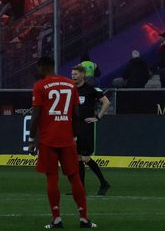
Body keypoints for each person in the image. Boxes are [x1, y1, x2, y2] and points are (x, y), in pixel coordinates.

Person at [27, 56, 96, 229]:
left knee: (52, 178)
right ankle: (84, 218)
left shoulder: (40, 86)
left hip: (48, 139)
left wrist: (31, 139)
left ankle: (57, 219)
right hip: (67, 139)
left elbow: (35, 115)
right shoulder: (70, 84)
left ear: (43, 67)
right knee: (74, 177)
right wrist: (74, 136)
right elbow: (75, 113)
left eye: (38, 68)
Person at [71, 65, 111, 196]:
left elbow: (106, 102)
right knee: (77, 158)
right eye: (72, 74)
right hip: (73, 125)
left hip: (86, 125)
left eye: (76, 74)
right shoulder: (70, 89)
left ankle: (104, 182)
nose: (73, 76)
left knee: (85, 157)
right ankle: (80, 189)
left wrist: (98, 117)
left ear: (82, 75)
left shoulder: (91, 89)